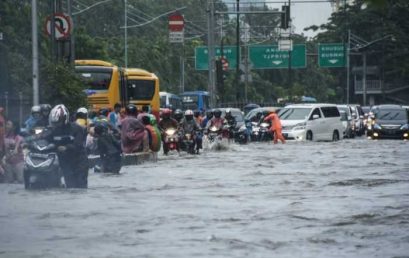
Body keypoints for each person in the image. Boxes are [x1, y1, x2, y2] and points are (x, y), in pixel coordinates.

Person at [40, 104, 89, 188]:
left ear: (64, 119)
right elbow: (44, 139)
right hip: (65, 162)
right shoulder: (53, 130)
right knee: (70, 186)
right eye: (55, 122)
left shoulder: (77, 129)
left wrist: (66, 147)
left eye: (58, 122)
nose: (57, 124)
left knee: (80, 187)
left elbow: (78, 145)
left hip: (79, 161)